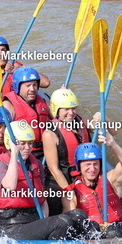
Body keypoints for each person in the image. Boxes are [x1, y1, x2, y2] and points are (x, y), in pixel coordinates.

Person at [0, 121, 87, 240]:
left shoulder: (36, 164)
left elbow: (42, 199)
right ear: (10, 143)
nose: (27, 148)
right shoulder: (0, 164)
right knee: (62, 222)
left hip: (33, 220)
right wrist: (14, 154)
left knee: (79, 215)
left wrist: (44, 223)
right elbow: (10, 186)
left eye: (30, 143)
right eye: (22, 143)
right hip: (11, 226)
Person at [64, 133, 122, 239]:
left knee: (113, 232)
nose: (92, 169)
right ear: (79, 166)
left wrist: (112, 144)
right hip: (91, 235)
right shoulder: (71, 192)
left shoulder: (111, 179)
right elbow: (70, 225)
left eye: (95, 164)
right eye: (87, 165)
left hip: (116, 231)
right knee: (92, 229)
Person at [42, 88, 92, 216]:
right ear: (56, 110)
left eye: (73, 108)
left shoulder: (81, 121)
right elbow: (54, 169)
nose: (71, 113)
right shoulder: (49, 134)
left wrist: (103, 118)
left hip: (82, 175)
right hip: (60, 181)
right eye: (66, 109)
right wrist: (69, 191)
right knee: (71, 206)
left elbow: (114, 131)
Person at [2, 67, 51, 160]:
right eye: (28, 85)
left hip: (46, 150)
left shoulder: (43, 102)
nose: (32, 89)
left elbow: (59, 119)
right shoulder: (8, 105)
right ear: (17, 86)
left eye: (35, 85)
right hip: (23, 152)